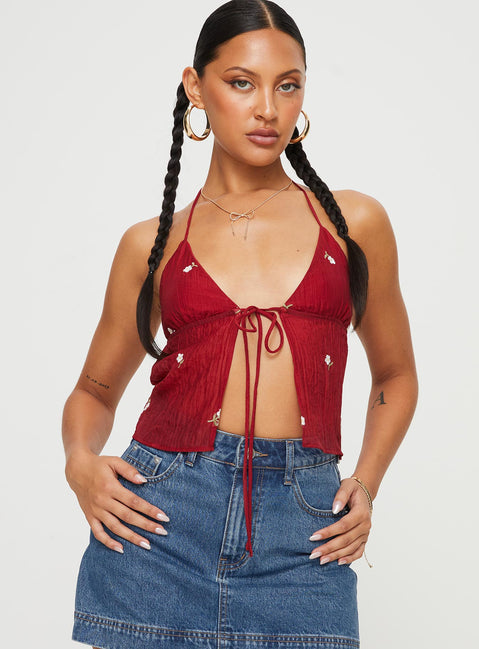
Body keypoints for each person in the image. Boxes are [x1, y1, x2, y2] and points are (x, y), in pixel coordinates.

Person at [62, 1, 418, 648]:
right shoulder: (153, 244)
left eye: (288, 85)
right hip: (159, 530)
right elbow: (93, 390)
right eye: (241, 82)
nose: (268, 109)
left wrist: (364, 485)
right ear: (195, 87)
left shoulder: (351, 224)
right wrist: (80, 464)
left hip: (305, 536)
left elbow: (395, 375)